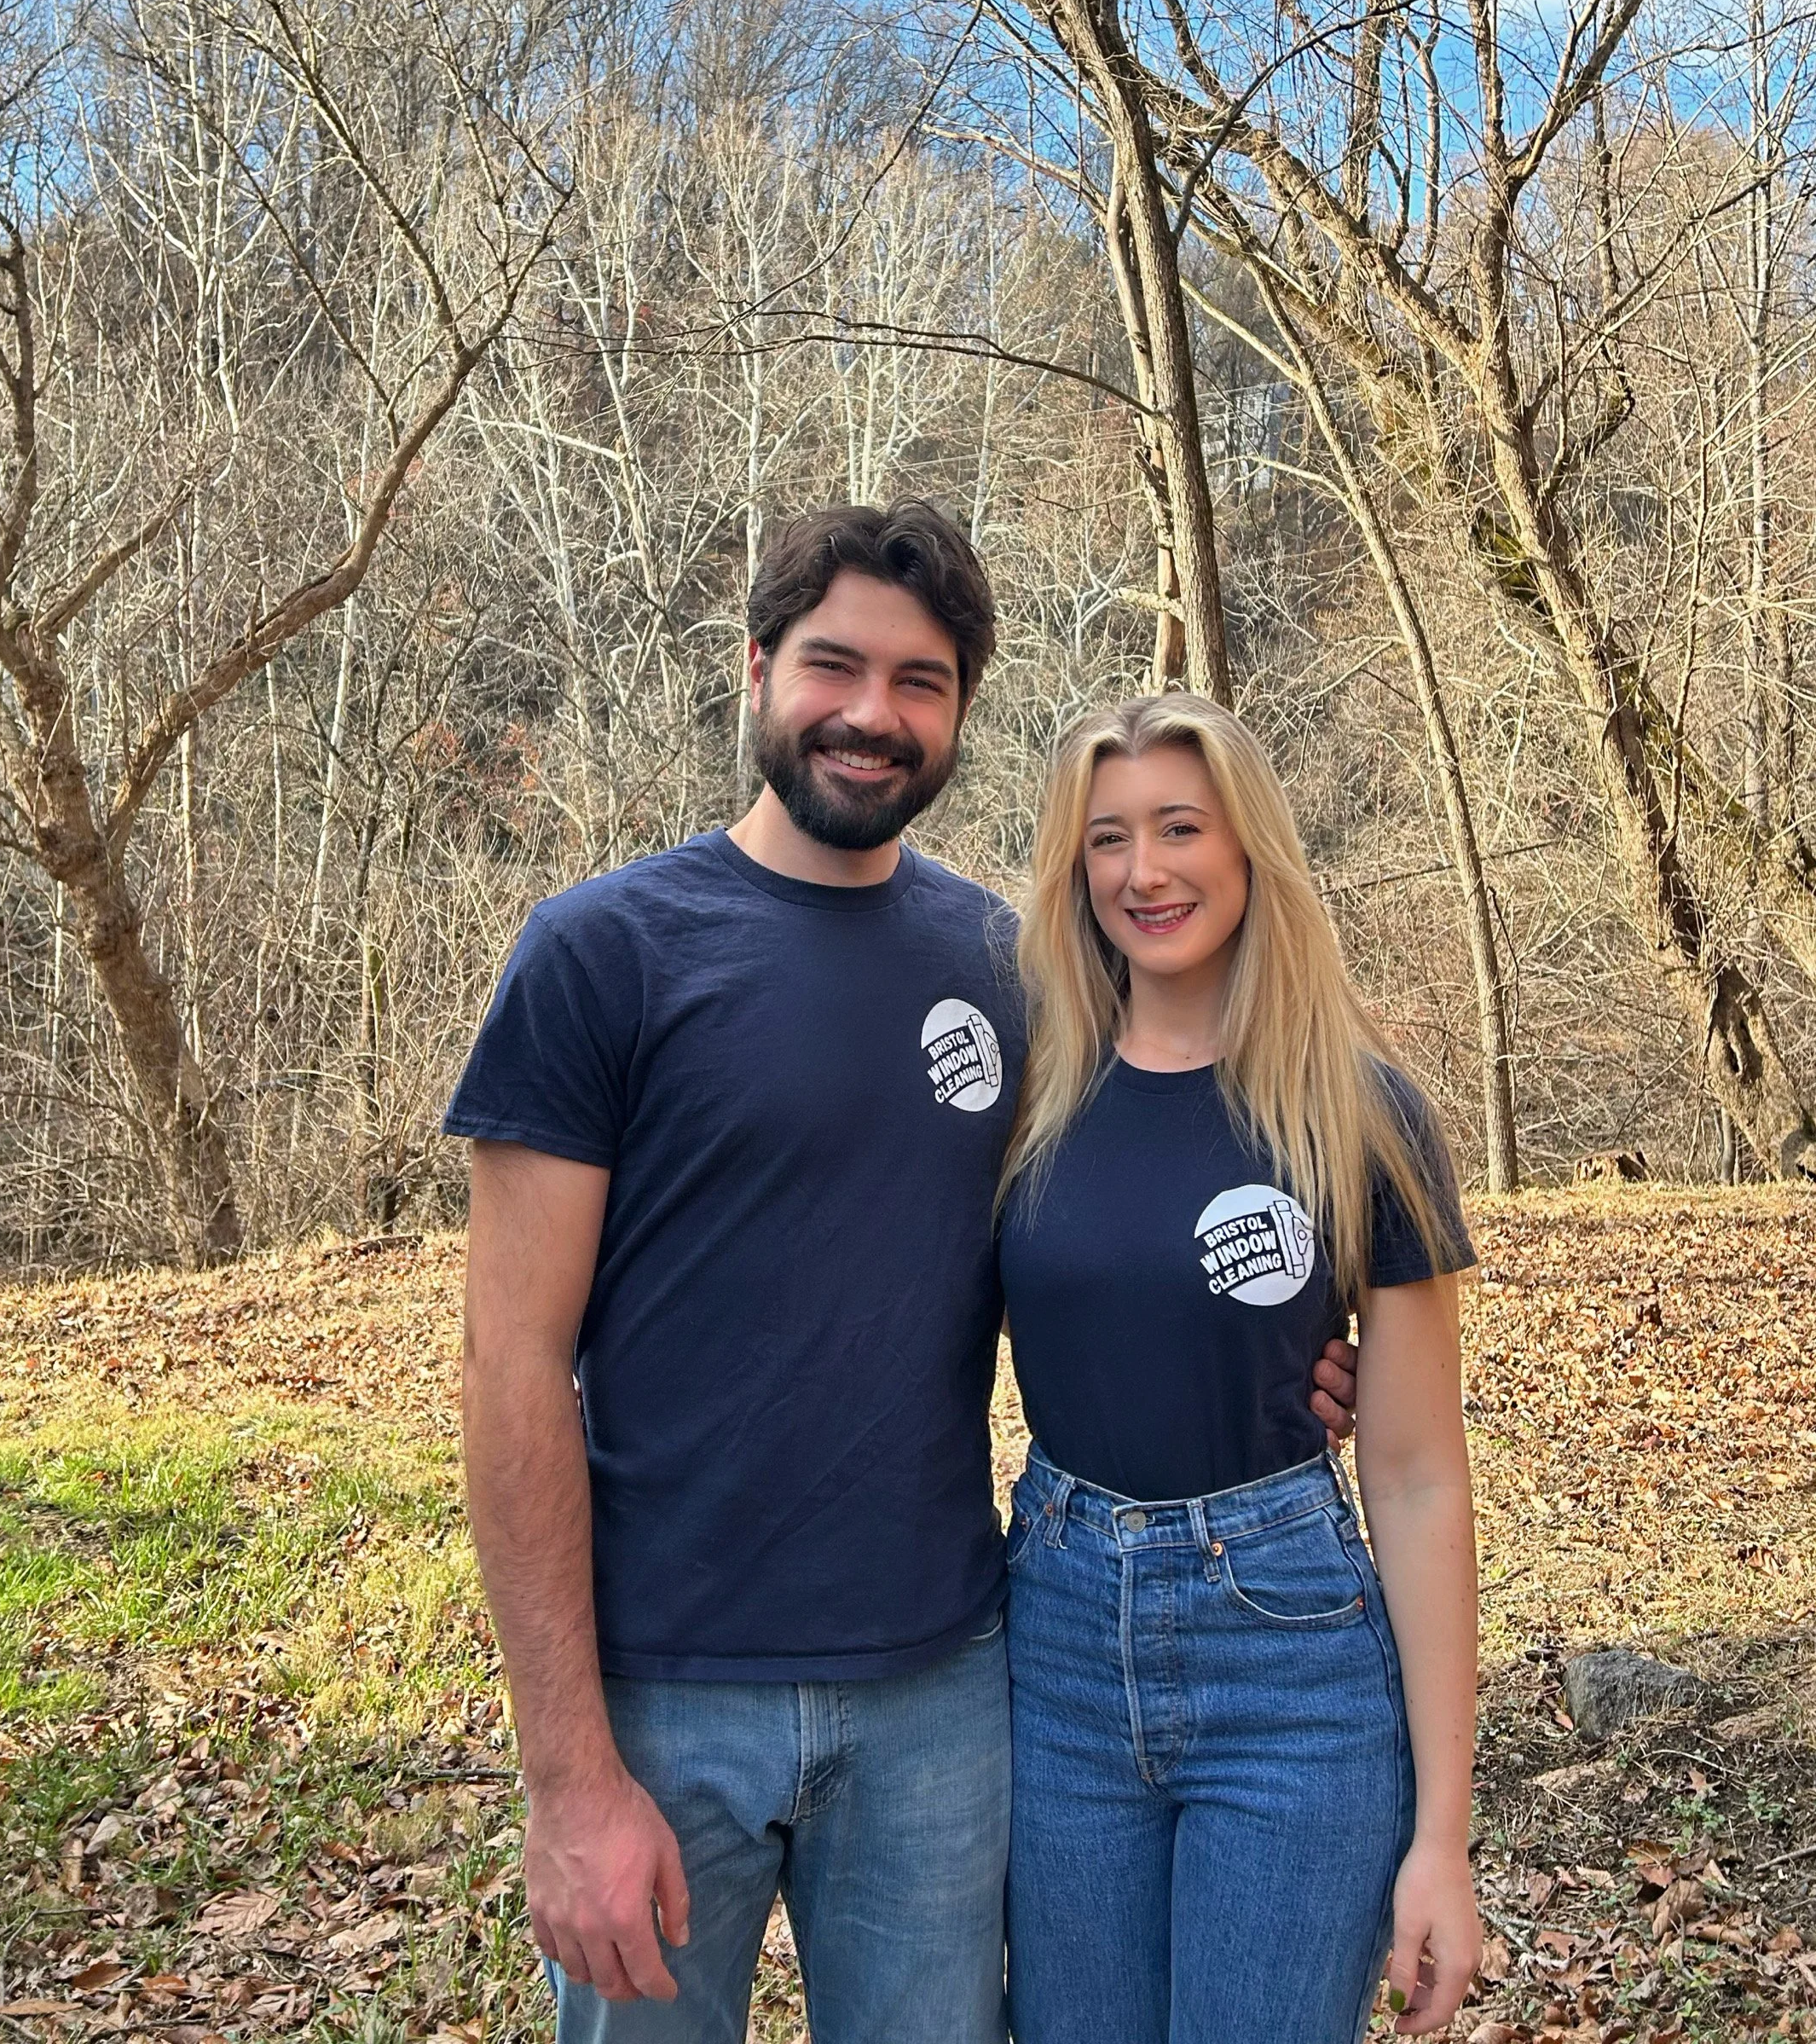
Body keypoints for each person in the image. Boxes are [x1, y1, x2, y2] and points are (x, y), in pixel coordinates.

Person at [447, 501, 1358, 2044]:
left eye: (920, 681)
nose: (873, 714)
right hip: (666, 1701)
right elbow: (510, 1365)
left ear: (958, 715)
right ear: (756, 670)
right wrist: (567, 1776)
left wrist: (1279, 1354)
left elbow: (1132, 1197)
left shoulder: (1016, 973)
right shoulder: (604, 954)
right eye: (835, 665)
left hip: (946, 1686)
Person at [998, 692, 1479, 2044]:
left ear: (1250, 846)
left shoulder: (1360, 1111)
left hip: (1290, 1664)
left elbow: (1419, 1475)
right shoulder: (1029, 1097)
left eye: (1179, 828)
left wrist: (1442, 1834)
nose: (1143, 872)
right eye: (1106, 840)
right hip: (1059, 1644)